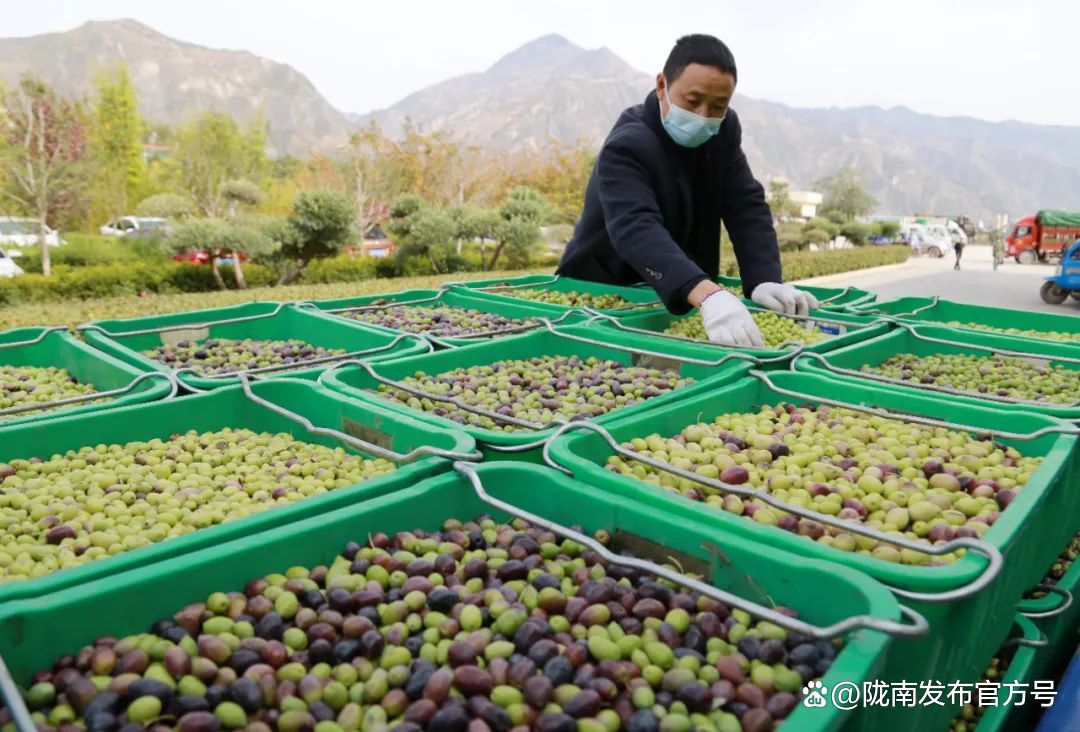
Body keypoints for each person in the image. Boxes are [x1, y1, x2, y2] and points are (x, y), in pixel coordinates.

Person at [556, 34, 817, 347]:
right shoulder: (627, 144)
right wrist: (708, 295)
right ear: (662, 85)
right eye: (692, 102)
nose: (703, 116)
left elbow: (745, 204)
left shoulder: (724, 130)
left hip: (684, 294)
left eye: (718, 105)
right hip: (605, 290)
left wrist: (764, 279)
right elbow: (636, 228)